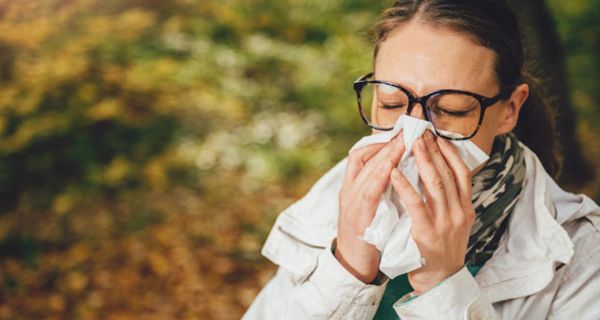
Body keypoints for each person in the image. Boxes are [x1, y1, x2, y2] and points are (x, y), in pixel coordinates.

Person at [243, 0, 600, 319]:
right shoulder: (332, 206)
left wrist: (441, 285)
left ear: (509, 109)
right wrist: (346, 270)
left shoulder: (583, 253)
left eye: (450, 109)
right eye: (392, 103)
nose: (413, 134)